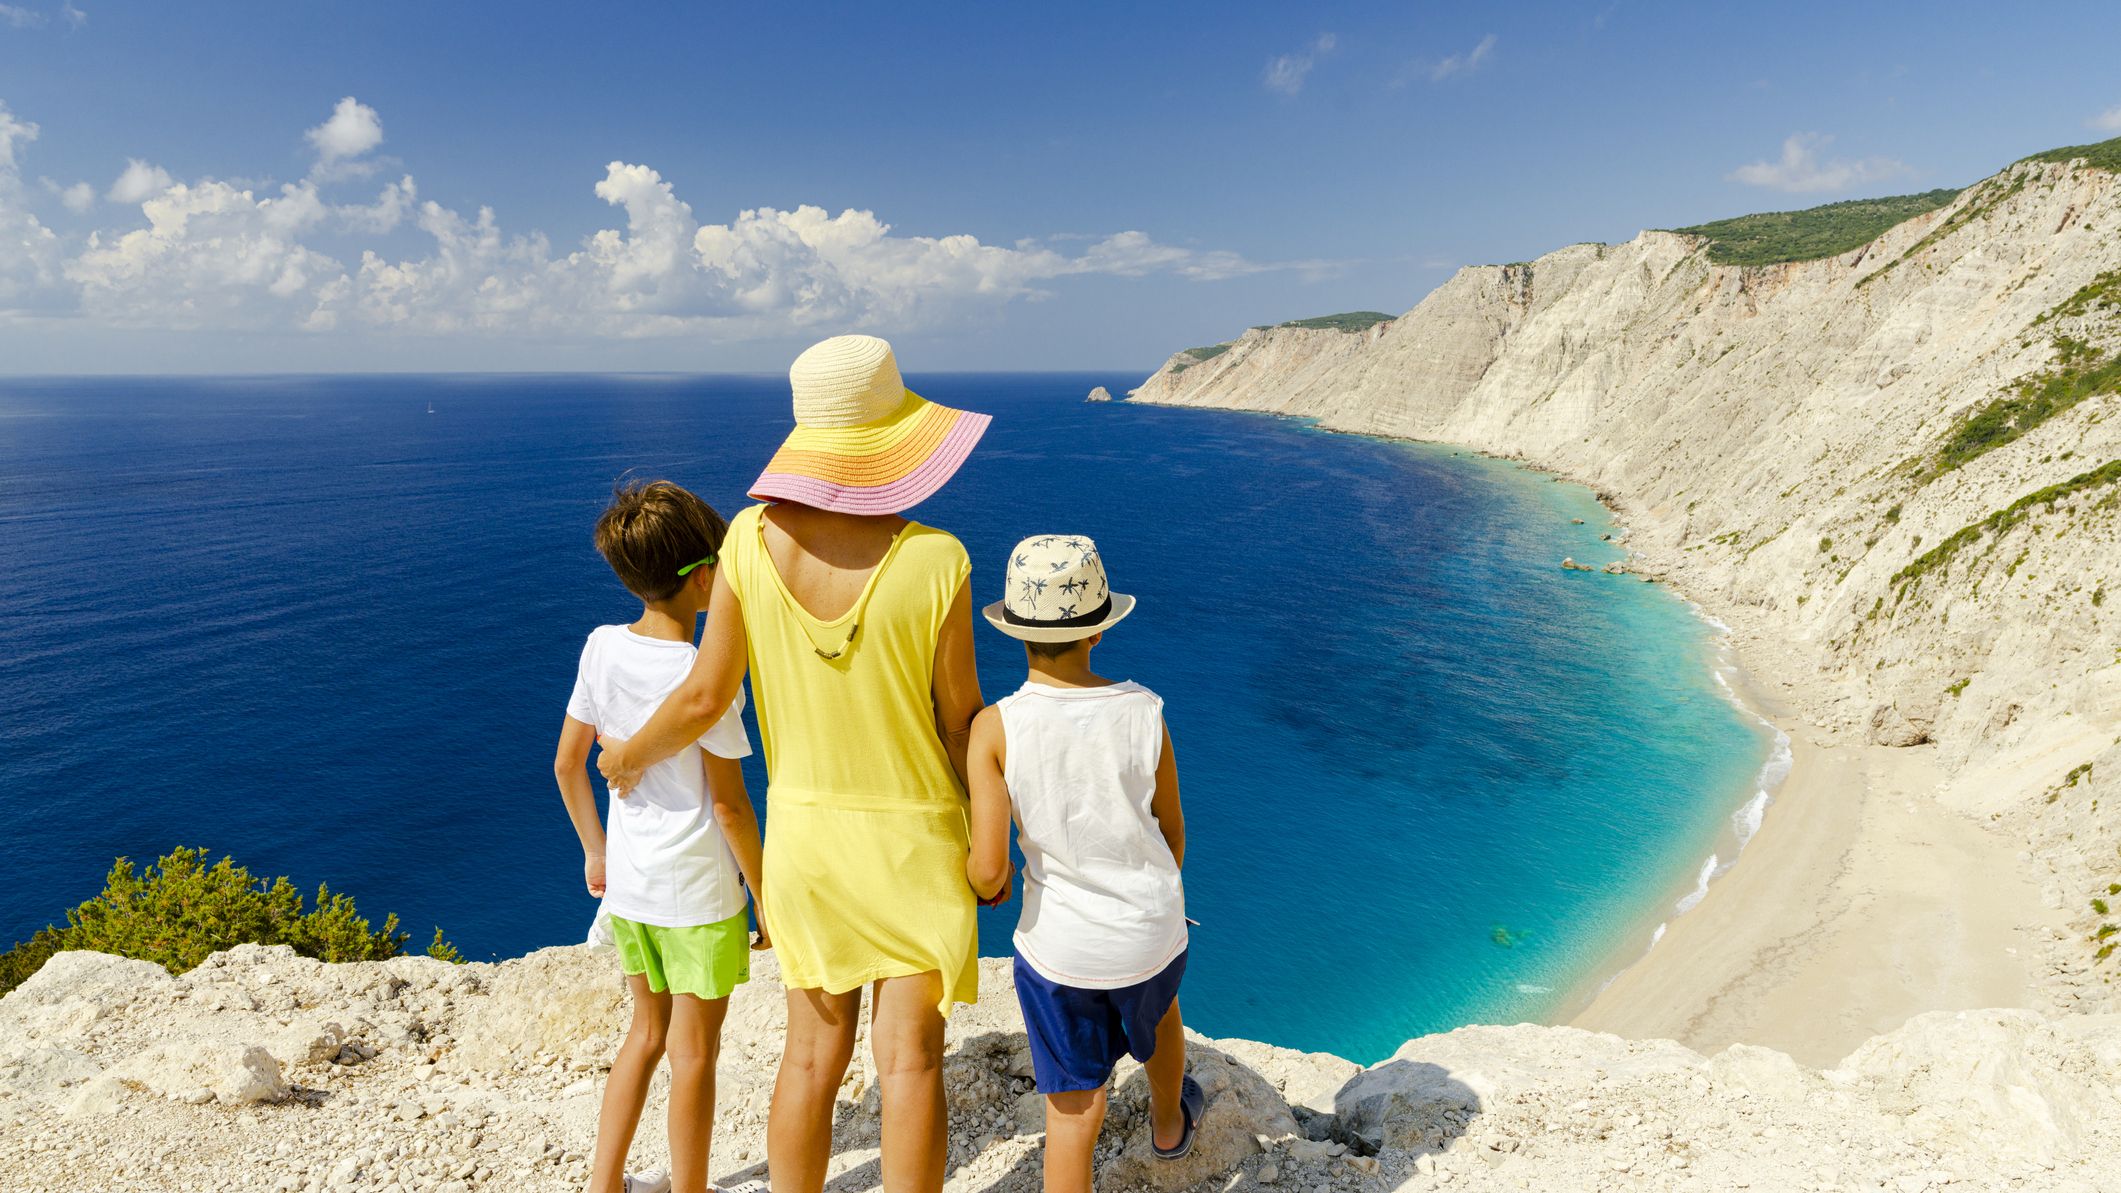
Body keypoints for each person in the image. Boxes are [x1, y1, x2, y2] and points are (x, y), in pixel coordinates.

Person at [597, 335, 990, 1193]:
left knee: (809, 1057)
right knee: (911, 1063)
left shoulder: (744, 541)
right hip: (917, 839)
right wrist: (1000, 834)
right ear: (890, 435)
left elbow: (704, 697)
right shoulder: (937, 559)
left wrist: (625, 751)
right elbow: (961, 722)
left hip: (806, 843)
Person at [964, 534, 1200, 1193]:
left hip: (1061, 951)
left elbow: (986, 868)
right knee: (1159, 1011)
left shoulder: (995, 727)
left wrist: (986, 881)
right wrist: (1147, 900)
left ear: (1015, 631)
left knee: (1074, 1109)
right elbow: (1171, 832)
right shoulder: (1143, 709)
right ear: (1096, 632)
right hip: (1150, 929)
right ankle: (1167, 1126)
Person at [554, 479, 766, 1193]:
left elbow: (567, 763)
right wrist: (764, 897)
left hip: (631, 889)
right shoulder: (702, 675)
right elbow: (732, 807)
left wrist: (594, 851)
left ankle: (605, 1182)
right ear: (705, 575)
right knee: (696, 1051)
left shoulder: (601, 645)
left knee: (643, 1036)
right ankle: (691, 1187)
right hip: (700, 894)